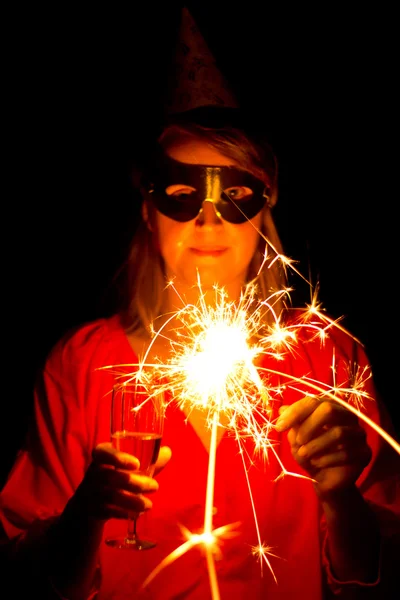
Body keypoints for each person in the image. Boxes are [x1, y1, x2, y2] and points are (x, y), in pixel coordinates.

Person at [1, 105, 399, 600]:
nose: (209, 220)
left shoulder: (327, 357)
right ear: (148, 208)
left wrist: (342, 500)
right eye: (182, 195)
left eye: (235, 195)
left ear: (265, 206)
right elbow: (33, 575)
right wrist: (84, 517)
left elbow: (374, 576)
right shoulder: (83, 364)